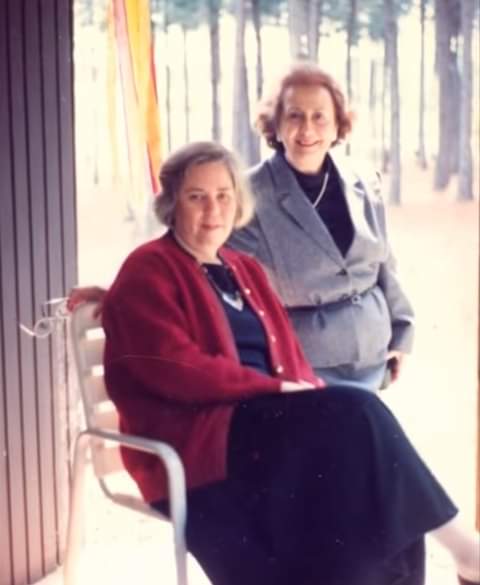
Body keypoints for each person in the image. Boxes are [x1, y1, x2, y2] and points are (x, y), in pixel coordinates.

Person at [72, 141, 479, 585]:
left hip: (267, 432)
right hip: (201, 446)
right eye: (196, 196)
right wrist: (278, 391)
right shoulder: (148, 268)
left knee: (372, 479)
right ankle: (467, 552)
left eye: (224, 195)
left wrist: (308, 399)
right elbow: (175, 368)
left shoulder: (243, 268)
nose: (213, 209)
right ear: (172, 203)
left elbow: (289, 357)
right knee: (360, 413)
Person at [227, 62, 414, 391]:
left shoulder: (365, 180)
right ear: (276, 124)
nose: (307, 129)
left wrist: (402, 334)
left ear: (338, 124)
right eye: (295, 116)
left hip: (375, 355)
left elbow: (385, 263)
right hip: (306, 367)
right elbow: (219, 282)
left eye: (320, 117)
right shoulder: (247, 193)